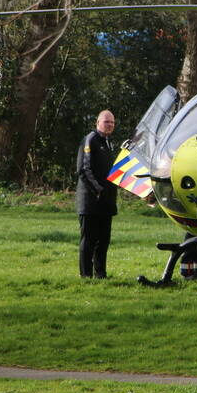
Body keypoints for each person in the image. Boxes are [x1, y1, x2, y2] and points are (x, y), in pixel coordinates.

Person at [76, 110, 118, 278]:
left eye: (112, 123)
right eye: (107, 122)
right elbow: (83, 169)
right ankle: (86, 276)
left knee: (104, 240)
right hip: (90, 202)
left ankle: (101, 274)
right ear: (98, 122)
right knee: (88, 240)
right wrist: (98, 190)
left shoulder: (109, 143)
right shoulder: (90, 139)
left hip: (107, 202)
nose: (110, 125)